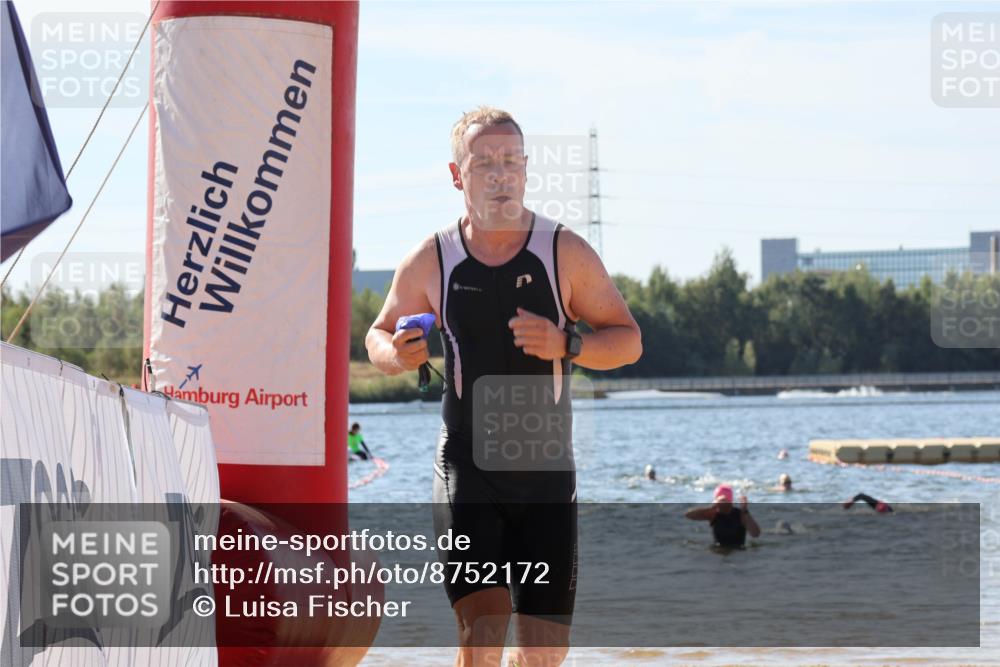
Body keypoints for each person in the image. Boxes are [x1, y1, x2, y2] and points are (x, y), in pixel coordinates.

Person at [365, 106, 642, 667]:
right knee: (482, 635)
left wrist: (567, 344)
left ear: (526, 169)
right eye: (485, 162)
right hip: (468, 470)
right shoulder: (432, 258)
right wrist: (397, 353)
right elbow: (378, 334)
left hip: (546, 475)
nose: (500, 174)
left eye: (511, 161)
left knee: (543, 655)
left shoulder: (563, 251)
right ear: (457, 175)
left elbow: (628, 340)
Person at [685, 484, 761, 548]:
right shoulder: (713, 514)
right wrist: (711, 507)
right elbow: (688, 515)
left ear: (731, 502)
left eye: (726, 502)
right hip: (718, 550)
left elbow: (756, 534)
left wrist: (745, 511)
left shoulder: (741, 514)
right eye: (721, 502)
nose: (723, 505)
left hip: (738, 552)